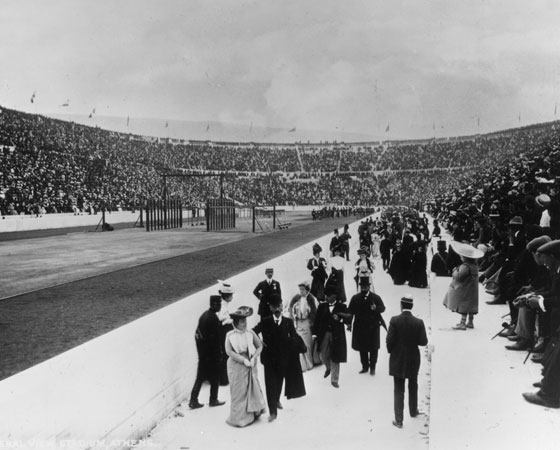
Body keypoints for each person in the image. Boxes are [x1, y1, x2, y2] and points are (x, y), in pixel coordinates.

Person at [253, 294, 306, 422]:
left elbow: (294, 336)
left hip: (284, 358)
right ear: (271, 308)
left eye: (279, 305)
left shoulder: (288, 322)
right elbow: (253, 332)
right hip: (269, 359)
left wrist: (292, 343)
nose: (277, 308)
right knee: (270, 384)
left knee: (279, 381)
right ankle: (272, 412)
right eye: (274, 306)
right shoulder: (265, 321)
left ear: (282, 306)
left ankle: (276, 400)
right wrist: (259, 342)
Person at [386, 294, 428, 428]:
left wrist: (392, 351)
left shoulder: (394, 320)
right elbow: (423, 342)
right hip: (413, 358)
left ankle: (399, 420)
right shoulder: (418, 322)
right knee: (413, 384)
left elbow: (389, 340)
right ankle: (413, 410)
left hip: (398, 358)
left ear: (401, 305)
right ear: (412, 306)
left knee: (398, 389)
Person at [224, 306, 267, 427]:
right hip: (236, 366)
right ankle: (239, 419)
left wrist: (254, 357)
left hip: (250, 364)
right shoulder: (230, 335)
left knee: (252, 388)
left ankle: (254, 413)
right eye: (242, 321)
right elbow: (229, 352)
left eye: (245, 321)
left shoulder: (250, 333)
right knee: (238, 392)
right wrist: (242, 360)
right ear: (236, 322)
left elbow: (259, 346)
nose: (245, 324)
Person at [189, 295, 226, 409]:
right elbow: (216, 340)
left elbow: (197, 335)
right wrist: (219, 354)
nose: (220, 306)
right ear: (215, 305)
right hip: (211, 355)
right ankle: (213, 399)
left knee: (200, 377)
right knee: (216, 377)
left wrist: (201, 353)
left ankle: (193, 400)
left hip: (203, 354)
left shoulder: (204, 315)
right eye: (219, 304)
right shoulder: (213, 319)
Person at [312, 284, 351, 388]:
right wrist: (314, 334)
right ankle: (328, 367)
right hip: (324, 333)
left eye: (328, 296)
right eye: (326, 295)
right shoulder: (322, 306)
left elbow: (349, 319)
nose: (326, 297)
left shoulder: (342, 306)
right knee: (322, 355)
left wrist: (340, 319)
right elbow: (317, 321)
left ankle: (334, 379)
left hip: (337, 334)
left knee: (336, 356)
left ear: (334, 296)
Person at [348, 277, 386, 375]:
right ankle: (365, 367)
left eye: (365, 287)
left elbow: (382, 308)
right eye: (362, 287)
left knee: (373, 348)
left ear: (369, 287)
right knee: (362, 348)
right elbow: (350, 312)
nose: (364, 289)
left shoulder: (375, 297)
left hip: (373, 327)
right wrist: (349, 323)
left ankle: (373, 367)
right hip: (360, 327)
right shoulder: (355, 298)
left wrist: (376, 308)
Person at [443, 241, 484, 330]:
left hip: (465, 289)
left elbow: (458, 276)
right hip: (472, 289)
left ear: (465, 257)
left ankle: (462, 323)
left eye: (461, 256)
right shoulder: (474, 265)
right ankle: (470, 321)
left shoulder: (465, 266)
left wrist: (454, 270)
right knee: (471, 306)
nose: (460, 257)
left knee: (463, 306)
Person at [288, 281, 320, 371]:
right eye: (300, 289)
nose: (301, 291)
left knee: (307, 344)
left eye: (303, 289)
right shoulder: (296, 299)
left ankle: (309, 363)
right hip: (298, 323)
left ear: (307, 290)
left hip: (307, 323)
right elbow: (290, 309)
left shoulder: (311, 299)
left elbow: (314, 312)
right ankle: (302, 365)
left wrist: (312, 323)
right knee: (299, 343)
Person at [217, 280, 234, 385]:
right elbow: (220, 318)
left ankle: (225, 377)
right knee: (225, 354)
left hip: (225, 331)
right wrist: (230, 320)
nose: (232, 297)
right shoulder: (222, 306)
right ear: (227, 296)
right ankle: (223, 379)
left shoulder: (225, 304)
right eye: (231, 295)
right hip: (223, 332)